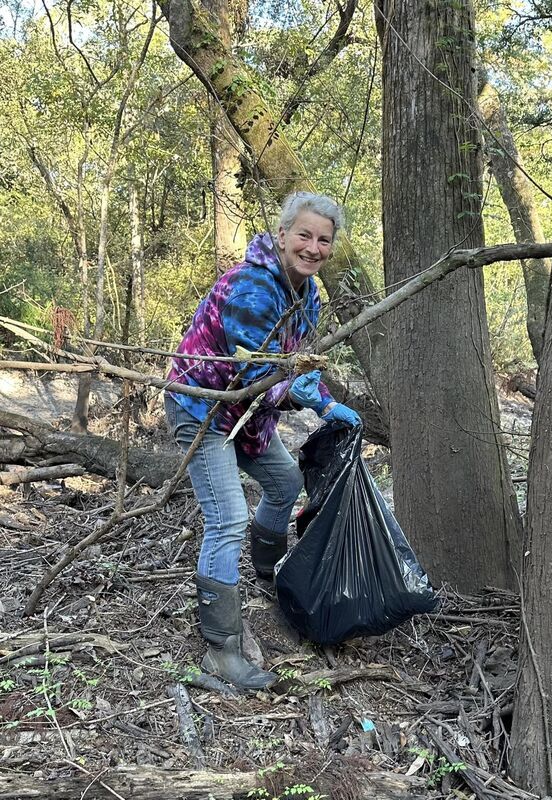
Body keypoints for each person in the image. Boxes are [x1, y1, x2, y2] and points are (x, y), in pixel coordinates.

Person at [164, 192, 361, 690]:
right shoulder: (251, 287)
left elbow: (298, 363)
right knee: (227, 516)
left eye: (323, 239)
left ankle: (269, 572)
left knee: (285, 481)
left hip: (247, 414)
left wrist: (322, 395)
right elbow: (260, 373)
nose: (312, 247)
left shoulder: (309, 296)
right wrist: (310, 400)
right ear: (283, 234)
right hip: (203, 405)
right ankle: (222, 649)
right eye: (304, 235)